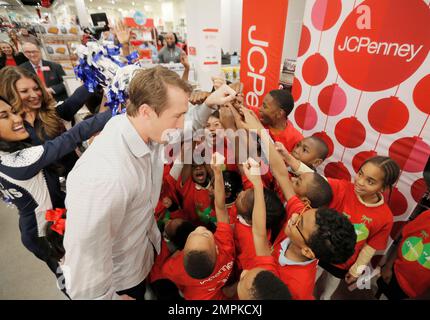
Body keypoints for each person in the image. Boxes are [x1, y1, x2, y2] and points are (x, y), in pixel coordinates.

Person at [62, 67, 237, 300]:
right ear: (146, 111)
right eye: (177, 116)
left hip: (142, 257)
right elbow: (84, 259)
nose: (181, 123)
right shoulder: (104, 176)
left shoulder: (146, 129)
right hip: (121, 282)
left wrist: (208, 104)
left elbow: (185, 128)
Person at [233, 106, 357, 299]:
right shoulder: (305, 219)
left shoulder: (296, 289)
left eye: (299, 221)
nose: (295, 214)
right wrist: (259, 131)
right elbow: (282, 174)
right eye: (303, 211)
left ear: (308, 251)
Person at [0, 96, 111, 278]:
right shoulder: (19, 161)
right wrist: (118, 112)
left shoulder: (6, 155)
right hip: (45, 233)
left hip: (39, 228)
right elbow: (72, 137)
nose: (17, 118)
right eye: (4, 116)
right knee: (76, 281)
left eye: (13, 111)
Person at [317, 156, 400, 300]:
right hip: (319, 248)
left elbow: (369, 247)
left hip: (343, 261)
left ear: (384, 187)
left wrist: (357, 270)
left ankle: (326, 297)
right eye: (360, 173)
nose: (359, 182)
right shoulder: (343, 188)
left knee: (333, 280)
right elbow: (316, 181)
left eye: (370, 181)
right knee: (311, 274)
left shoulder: (385, 217)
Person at [162, 153, 235, 300]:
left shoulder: (175, 267)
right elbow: (221, 207)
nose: (198, 228)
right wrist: (217, 172)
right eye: (205, 234)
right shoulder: (225, 247)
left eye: (193, 234)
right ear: (216, 248)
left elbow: (164, 270)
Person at [0, 66, 97, 176]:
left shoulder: (53, 114)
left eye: (36, 89)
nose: (34, 95)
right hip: (49, 190)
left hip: (79, 176)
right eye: (24, 91)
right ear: (9, 94)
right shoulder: (12, 130)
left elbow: (78, 97)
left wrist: (101, 73)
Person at [235, 158, 292, 300]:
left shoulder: (252, 248)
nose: (240, 193)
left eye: (242, 199)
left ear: (252, 218)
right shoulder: (252, 197)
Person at [376, 209, 430, 299]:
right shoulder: (427, 215)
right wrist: (388, 266)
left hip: (414, 293)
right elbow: (406, 237)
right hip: (394, 274)